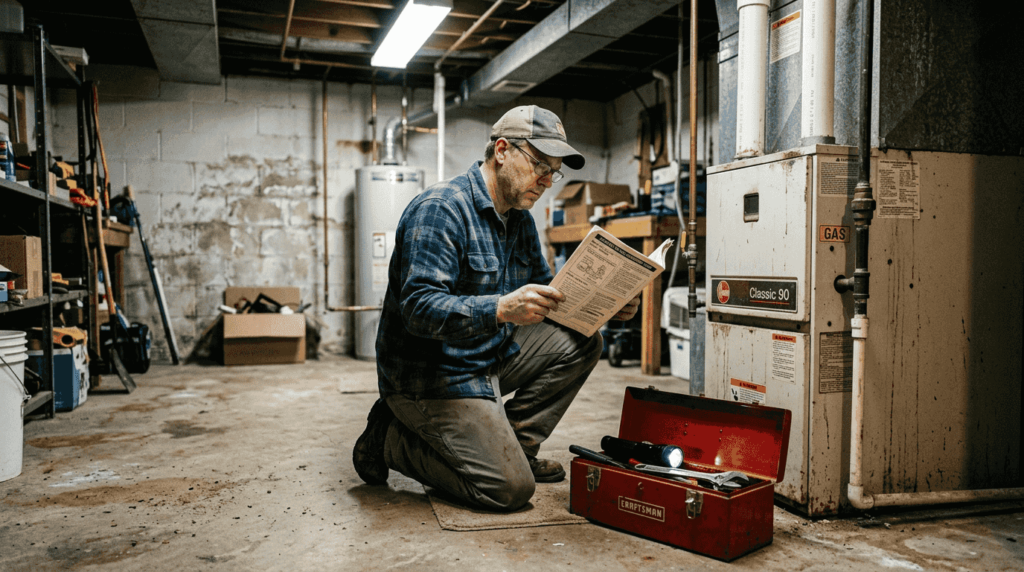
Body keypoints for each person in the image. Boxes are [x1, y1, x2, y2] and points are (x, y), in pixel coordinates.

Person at [352, 105, 641, 512]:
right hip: (432, 375)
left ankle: (517, 448)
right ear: (502, 150)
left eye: (553, 172)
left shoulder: (520, 219)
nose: (545, 181)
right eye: (539, 164)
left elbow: (549, 297)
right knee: (508, 491)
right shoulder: (441, 209)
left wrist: (606, 306)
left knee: (583, 341)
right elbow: (418, 309)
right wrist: (501, 309)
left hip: (486, 356)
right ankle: (389, 441)